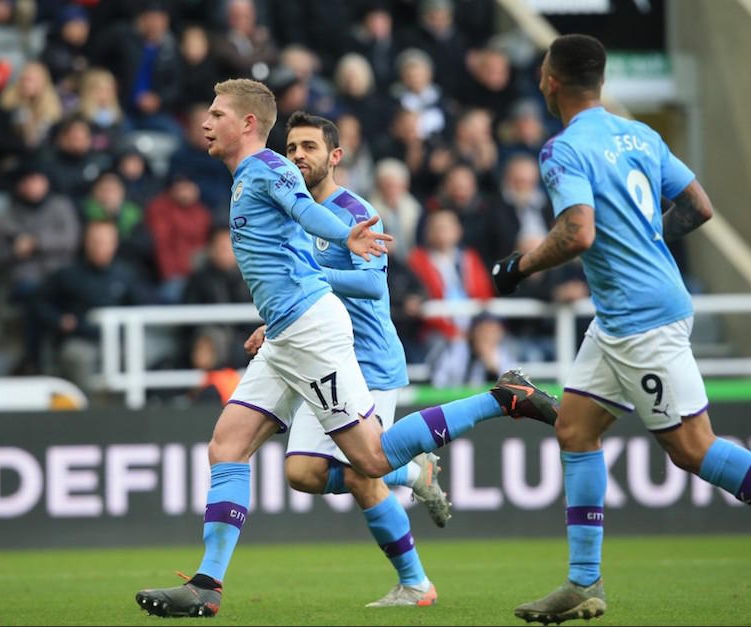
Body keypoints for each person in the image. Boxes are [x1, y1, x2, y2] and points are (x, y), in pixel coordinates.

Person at [135, 78, 558, 618]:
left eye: (216, 113)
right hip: (289, 333)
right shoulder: (249, 176)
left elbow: (314, 221)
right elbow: (291, 249)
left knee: (370, 462)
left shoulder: (270, 169)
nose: (204, 122)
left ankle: (503, 399)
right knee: (231, 447)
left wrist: (343, 238)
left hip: (321, 337)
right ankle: (207, 585)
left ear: (246, 124)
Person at [490, 34, 751, 625]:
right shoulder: (639, 134)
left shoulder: (563, 150)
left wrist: (519, 267)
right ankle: (584, 582)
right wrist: (645, 242)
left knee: (693, 449)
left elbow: (577, 233)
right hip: (623, 316)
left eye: (542, 71)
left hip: (641, 320)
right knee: (573, 429)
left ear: (552, 81)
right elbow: (699, 206)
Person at [243, 111, 449, 607]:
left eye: (309, 147)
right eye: (291, 148)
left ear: (334, 156)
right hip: (321, 359)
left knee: (361, 473)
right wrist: (276, 322)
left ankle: (417, 584)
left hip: (369, 361)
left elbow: (373, 283)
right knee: (302, 474)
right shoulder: (289, 211)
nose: (297, 156)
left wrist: (308, 282)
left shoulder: (353, 210)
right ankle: (413, 472)